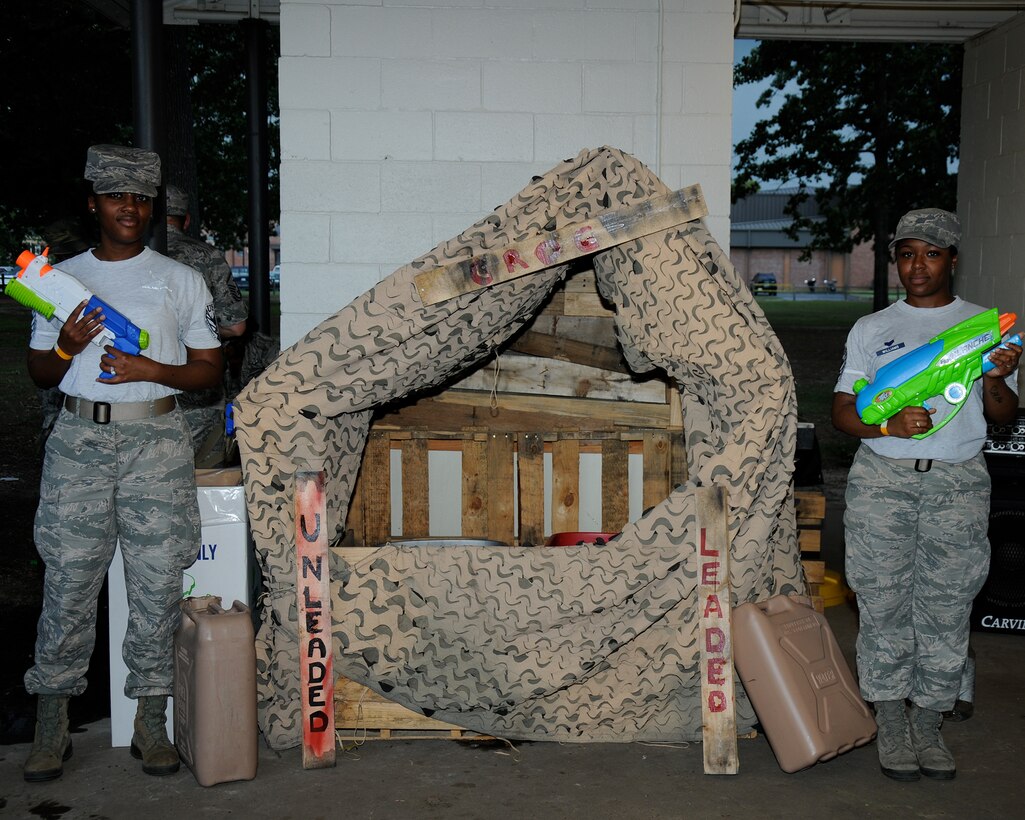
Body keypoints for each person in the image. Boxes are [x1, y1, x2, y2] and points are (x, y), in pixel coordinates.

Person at [22, 145, 222, 782]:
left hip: (156, 442)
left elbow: (209, 370)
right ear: (93, 203)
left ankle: (150, 723)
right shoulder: (60, 282)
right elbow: (38, 373)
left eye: (139, 197)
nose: (128, 208)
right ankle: (52, 725)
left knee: (159, 583)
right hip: (79, 442)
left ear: (152, 205)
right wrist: (65, 343)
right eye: (115, 197)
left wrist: (149, 370)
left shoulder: (179, 279)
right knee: (69, 582)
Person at [831, 208, 1021, 782]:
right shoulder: (871, 329)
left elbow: (1004, 416)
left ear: (953, 260)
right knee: (882, 604)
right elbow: (843, 413)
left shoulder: (986, 329)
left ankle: (930, 723)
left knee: (946, 608)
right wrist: (886, 427)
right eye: (908, 253)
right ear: (897, 260)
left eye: (932, 254)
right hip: (883, 481)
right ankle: (891, 720)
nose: (918, 265)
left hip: (957, 482)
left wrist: (995, 379)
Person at [165, 184, 248, 466]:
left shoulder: (128, 256)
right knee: (203, 482)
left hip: (141, 394)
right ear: (186, 219)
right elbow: (236, 327)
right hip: (198, 397)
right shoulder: (207, 257)